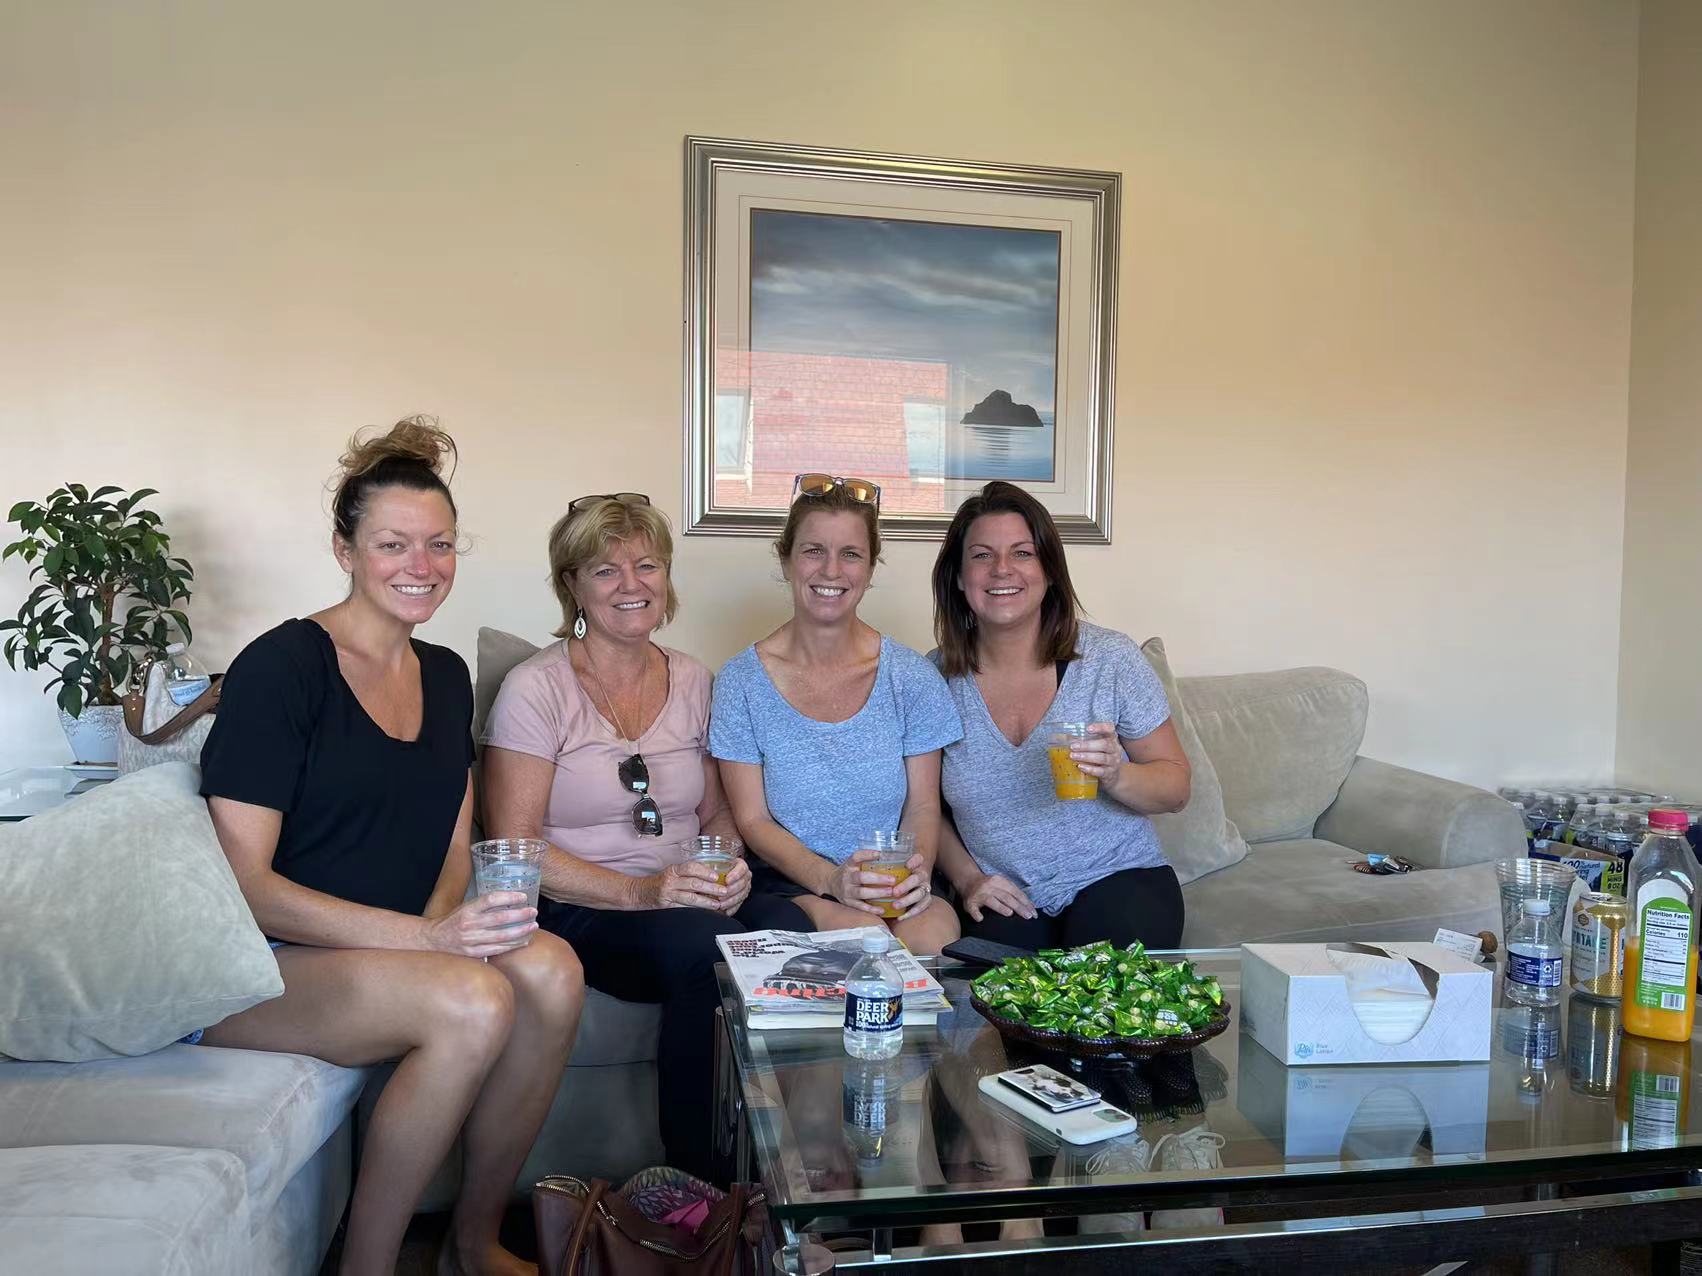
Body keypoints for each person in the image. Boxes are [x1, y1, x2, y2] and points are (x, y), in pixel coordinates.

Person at [199, 417, 584, 1276]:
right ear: (345, 550)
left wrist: (447, 931)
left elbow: (454, 840)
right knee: (471, 1001)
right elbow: (246, 886)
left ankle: (473, 1243)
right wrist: (431, 944)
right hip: (263, 963)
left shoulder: (445, 676)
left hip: (394, 943)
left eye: (439, 545)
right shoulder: (281, 667)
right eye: (393, 544)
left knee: (553, 971)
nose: (422, 565)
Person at [479, 493, 808, 1183]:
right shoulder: (536, 689)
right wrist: (644, 892)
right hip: (582, 906)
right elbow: (516, 845)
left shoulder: (693, 679)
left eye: (647, 565)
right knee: (702, 949)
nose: (632, 584)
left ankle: (802, 1174)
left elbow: (719, 815)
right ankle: (700, 1190)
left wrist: (724, 868)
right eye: (606, 570)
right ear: (572, 585)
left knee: (790, 929)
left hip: (681, 896)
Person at [928, 480, 1192, 950]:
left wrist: (1116, 775)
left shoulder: (1110, 659)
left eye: (1023, 553)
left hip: (1118, 877)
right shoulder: (933, 678)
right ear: (959, 576)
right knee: (996, 993)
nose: (1002, 569)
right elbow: (923, 807)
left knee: (1107, 992)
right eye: (982, 555)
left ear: (1049, 570)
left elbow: (1176, 788)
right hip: (1004, 894)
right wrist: (969, 880)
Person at [711, 474, 963, 955]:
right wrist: (832, 880)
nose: (831, 570)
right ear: (786, 560)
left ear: (869, 567)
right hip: (792, 883)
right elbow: (753, 820)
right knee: (865, 942)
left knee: (927, 942)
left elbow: (923, 806)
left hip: (893, 874)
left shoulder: (911, 676)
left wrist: (914, 875)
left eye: (850, 553)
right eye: (813, 551)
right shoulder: (740, 681)